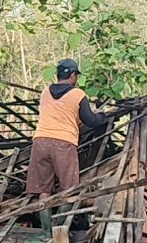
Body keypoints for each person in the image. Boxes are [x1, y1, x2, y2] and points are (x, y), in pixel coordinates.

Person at [26, 59, 106, 229]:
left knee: (43, 190)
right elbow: (90, 120)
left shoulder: (45, 92)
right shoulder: (78, 94)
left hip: (40, 141)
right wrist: (102, 116)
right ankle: (58, 226)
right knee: (69, 189)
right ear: (72, 75)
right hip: (63, 142)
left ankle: (47, 230)